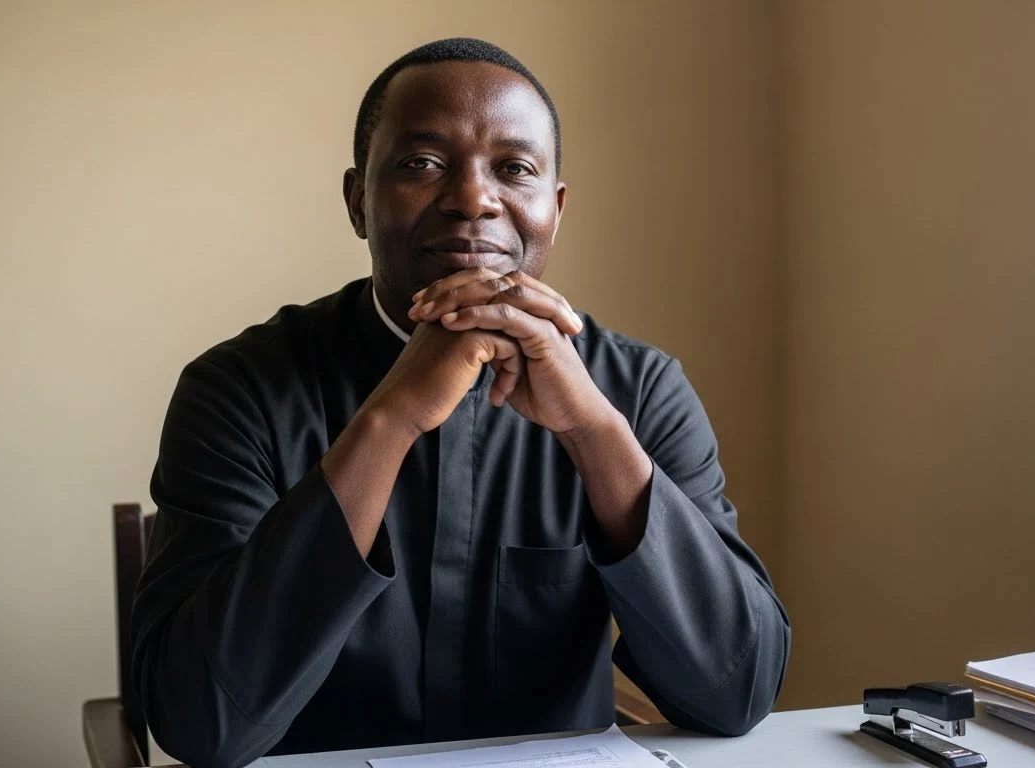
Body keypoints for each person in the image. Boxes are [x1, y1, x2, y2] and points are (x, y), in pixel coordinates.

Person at [131, 37, 790, 768]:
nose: (474, 199)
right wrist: (392, 417)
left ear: (555, 208)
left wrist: (593, 430)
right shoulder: (239, 391)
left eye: (514, 169)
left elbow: (737, 693)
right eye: (422, 165)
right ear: (358, 201)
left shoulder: (637, 390)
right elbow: (201, 726)